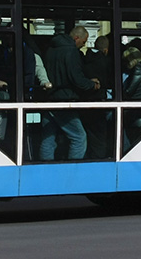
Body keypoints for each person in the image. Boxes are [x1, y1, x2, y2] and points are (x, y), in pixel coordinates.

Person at [41, 26, 102, 160]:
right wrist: (92, 84)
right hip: (64, 100)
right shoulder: (71, 51)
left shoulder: (51, 49)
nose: (84, 45)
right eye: (84, 41)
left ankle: (44, 168)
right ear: (76, 38)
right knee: (79, 137)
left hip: (49, 98)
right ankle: (73, 170)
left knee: (48, 138)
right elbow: (76, 79)